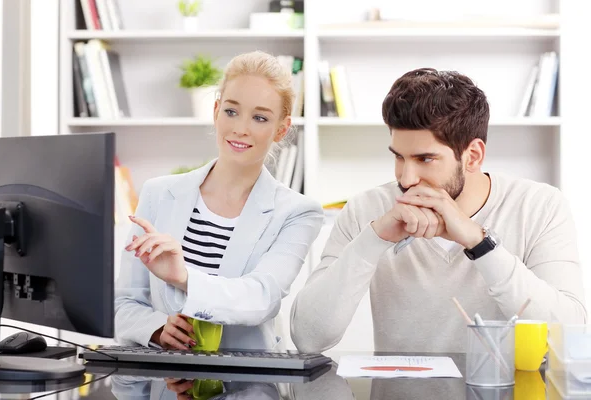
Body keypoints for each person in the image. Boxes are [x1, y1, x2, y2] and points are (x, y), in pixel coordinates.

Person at [290, 68, 587, 354]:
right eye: (399, 158)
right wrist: (373, 239)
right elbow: (308, 338)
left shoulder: (540, 206)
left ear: (472, 156)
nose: (406, 179)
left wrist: (480, 243)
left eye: (425, 159)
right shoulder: (367, 210)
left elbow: (568, 335)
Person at [114, 51, 323, 351]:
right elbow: (125, 303)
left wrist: (184, 277)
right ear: (215, 111)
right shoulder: (159, 194)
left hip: (248, 385)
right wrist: (157, 329)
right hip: (165, 385)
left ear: (281, 129)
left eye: (260, 117)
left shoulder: (298, 213)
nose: (241, 128)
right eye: (231, 111)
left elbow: (261, 298)